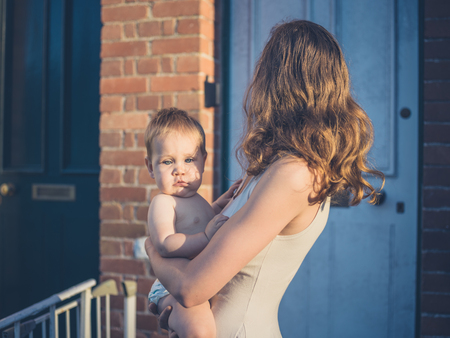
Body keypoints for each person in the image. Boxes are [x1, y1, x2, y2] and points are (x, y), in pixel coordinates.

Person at [146, 20, 384, 337]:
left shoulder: (295, 173)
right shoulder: (272, 163)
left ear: (278, 82)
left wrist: (152, 249)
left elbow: (191, 287)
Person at [144, 107, 241, 338]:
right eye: (168, 162)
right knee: (200, 330)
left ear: (203, 161)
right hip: (172, 287)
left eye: (189, 159)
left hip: (196, 281)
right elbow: (166, 243)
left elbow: (203, 219)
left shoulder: (195, 199)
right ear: (150, 167)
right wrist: (206, 237)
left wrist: (221, 204)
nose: (180, 170)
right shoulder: (164, 203)